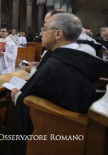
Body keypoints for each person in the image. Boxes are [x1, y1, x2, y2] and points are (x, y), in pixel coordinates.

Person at [8, 13, 108, 155]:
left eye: (45, 29)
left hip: (53, 135)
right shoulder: (79, 59)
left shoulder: (57, 66)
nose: (42, 33)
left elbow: (32, 100)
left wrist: (17, 96)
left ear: (58, 34)